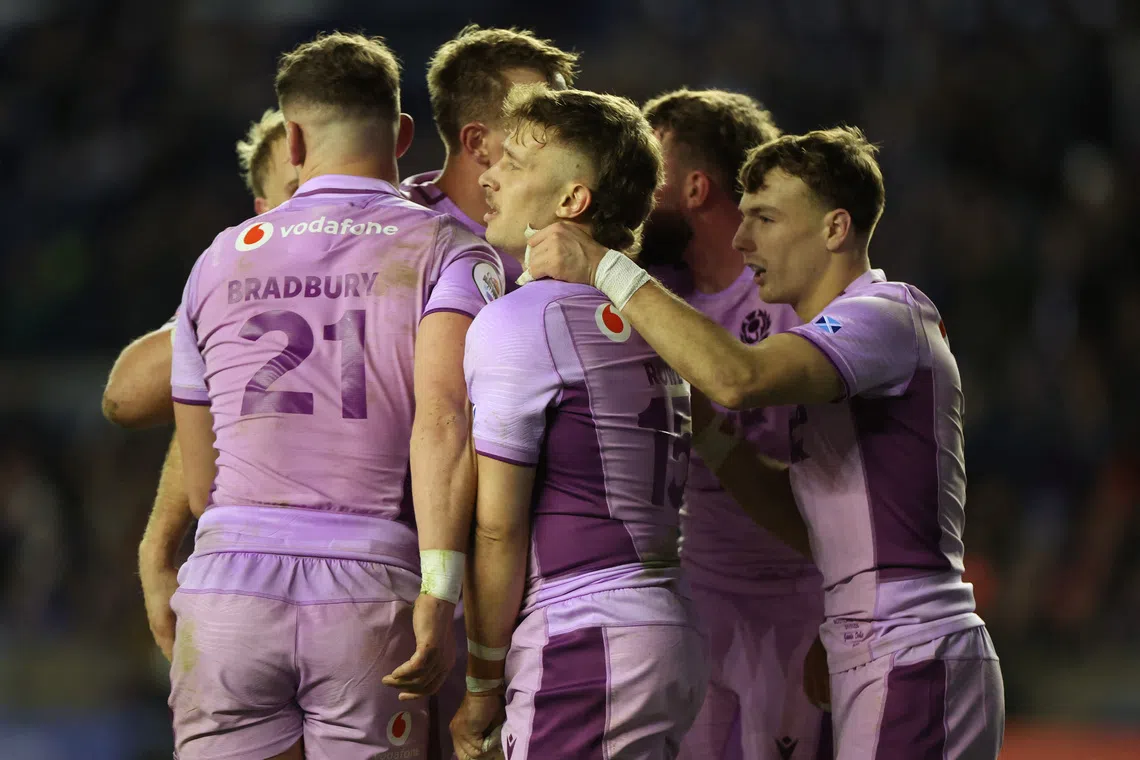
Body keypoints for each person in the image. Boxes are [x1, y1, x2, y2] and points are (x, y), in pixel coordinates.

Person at [523, 126, 1005, 759]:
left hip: (911, 647)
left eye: (766, 218)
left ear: (836, 229)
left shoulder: (885, 314)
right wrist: (706, 430)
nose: (742, 238)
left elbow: (738, 377)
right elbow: (801, 514)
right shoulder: (847, 349)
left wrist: (603, 266)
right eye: (743, 216)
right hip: (874, 640)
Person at [168, 32, 504, 759]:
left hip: (228, 587)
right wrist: (439, 590)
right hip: (366, 591)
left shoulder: (217, 257)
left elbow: (202, 488)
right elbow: (443, 420)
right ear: (404, 136)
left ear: (291, 139)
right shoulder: (447, 250)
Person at [447, 85, 708, 760]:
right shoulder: (656, 321)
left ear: (571, 201)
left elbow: (498, 526)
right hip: (657, 620)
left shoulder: (521, 320)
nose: (489, 174)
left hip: (586, 633)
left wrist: (480, 683)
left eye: (515, 162)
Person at [640, 88, 829, 760]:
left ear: (695, 187)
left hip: (798, 596)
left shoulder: (800, 293)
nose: (631, 185)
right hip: (694, 589)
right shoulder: (645, 286)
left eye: (647, 167)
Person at [111, 108, 297, 663]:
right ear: (262, 211)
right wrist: (157, 546)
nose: (316, 200)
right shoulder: (236, 274)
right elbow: (127, 393)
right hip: (259, 572)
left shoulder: (409, 243)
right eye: (296, 189)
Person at [402, 24, 578, 289]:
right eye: (540, 122)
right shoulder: (401, 236)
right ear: (478, 142)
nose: (565, 138)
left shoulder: (578, 223)